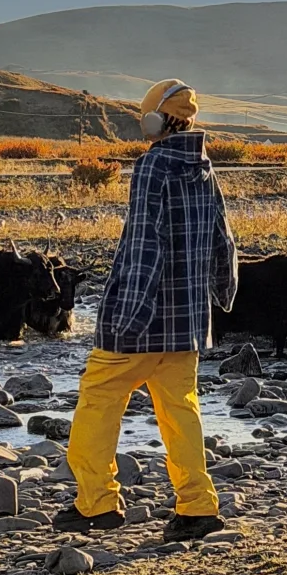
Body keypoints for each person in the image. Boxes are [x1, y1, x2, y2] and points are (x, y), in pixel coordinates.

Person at [55, 78, 238, 542]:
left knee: (98, 400)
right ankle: (198, 508)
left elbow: (144, 248)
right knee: (182, 412)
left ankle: (96, 504)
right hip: (188, 323)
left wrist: (126, 316)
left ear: (156, 119)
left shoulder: (153, 166)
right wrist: (222, 292)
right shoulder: (204, 166)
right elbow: (223, 238)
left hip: (143, 320)